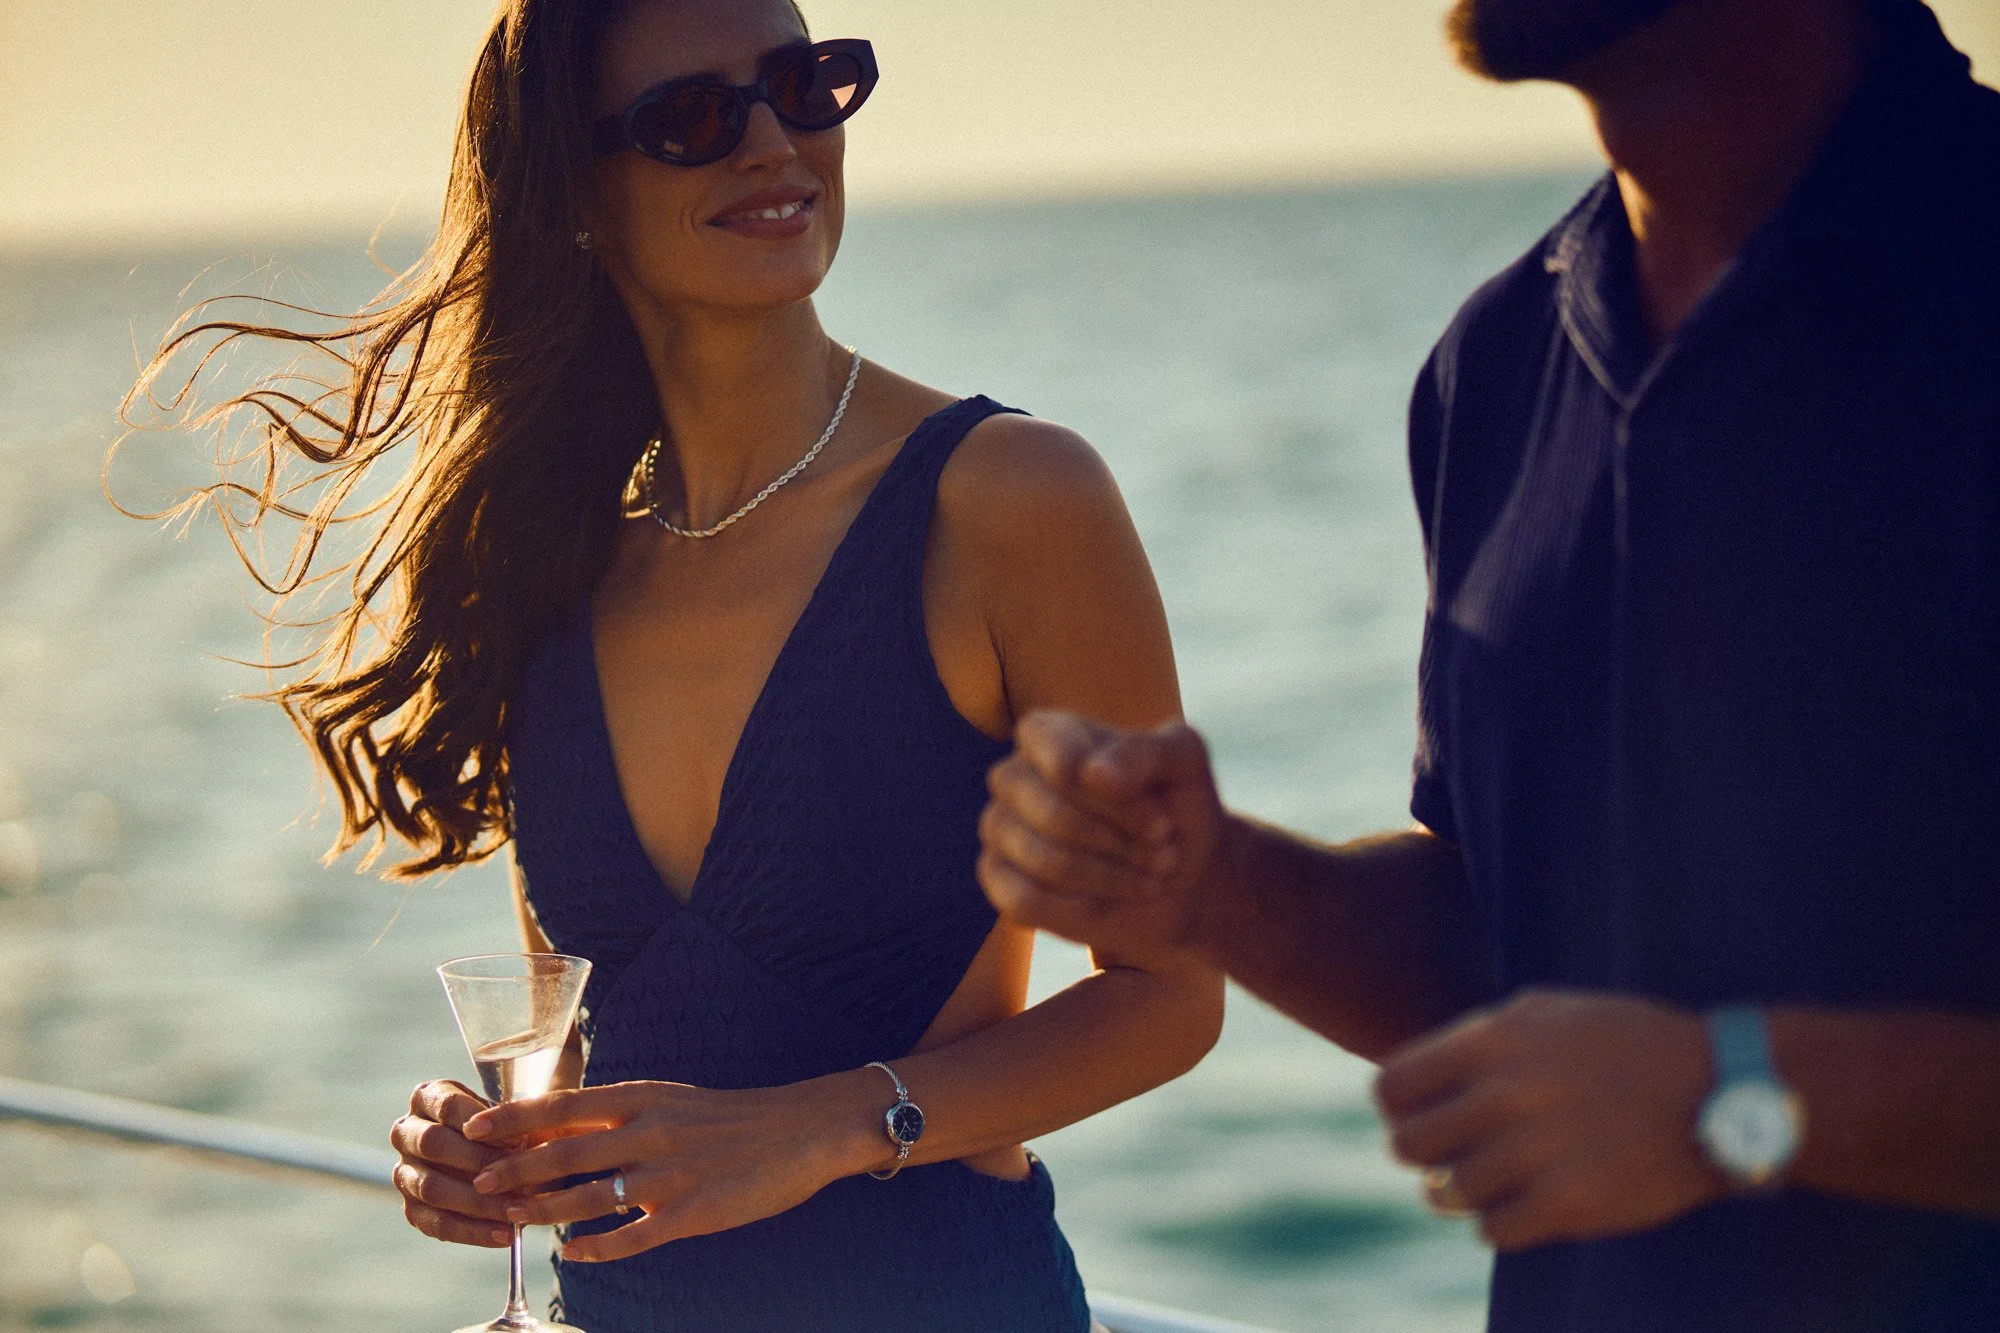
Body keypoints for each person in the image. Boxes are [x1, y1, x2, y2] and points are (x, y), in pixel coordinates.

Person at [133, 0, 1222, 1328]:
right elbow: (598, 1036)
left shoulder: (1011, 502)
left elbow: (1170, 994)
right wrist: (482, 1147)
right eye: (693, 119)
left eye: (803, 87)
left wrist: (821, 1126)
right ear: (578, 192)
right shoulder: (546, 563)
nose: (772, 144)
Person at [978, 0, 2000, 1328]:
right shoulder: (1505, 353)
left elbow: (1679, 1081)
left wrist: (1734, 1096)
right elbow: (1520, 942)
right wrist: (1220, 888)